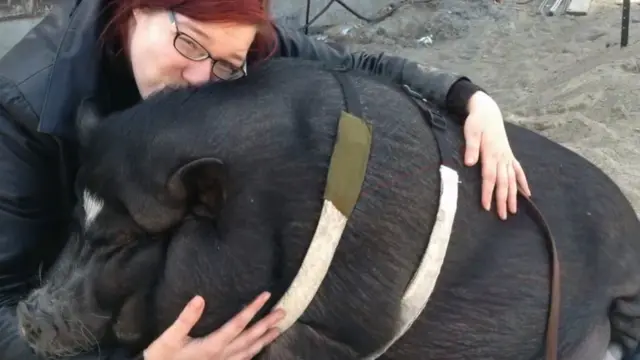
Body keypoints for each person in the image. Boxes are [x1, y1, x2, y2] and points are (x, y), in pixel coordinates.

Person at [0, 0, 531, 359]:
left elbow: (356, 63)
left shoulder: (228, 47)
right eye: (190, 45)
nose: (203, 78)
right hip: (57, 294)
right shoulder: (23, 108)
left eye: (227, 63)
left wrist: (467, 96)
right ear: (137, 9)